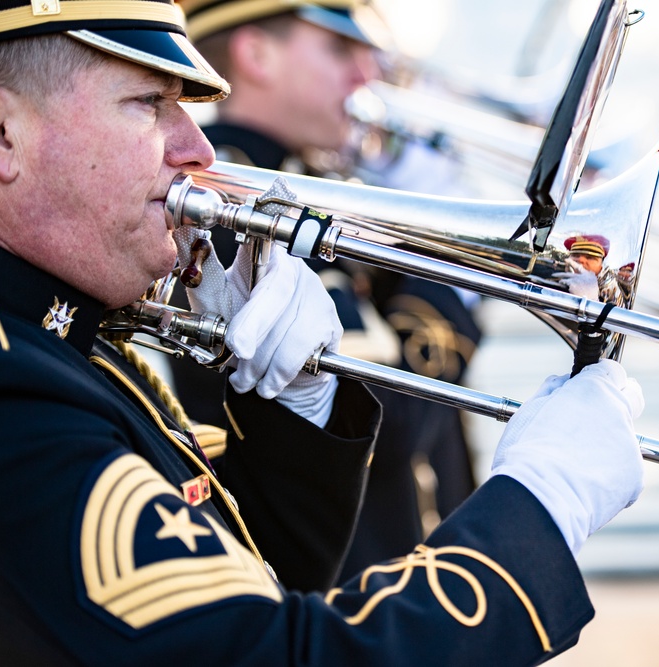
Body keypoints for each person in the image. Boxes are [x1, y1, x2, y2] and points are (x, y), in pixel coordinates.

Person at [0, 1, 646, 664]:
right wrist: (539, 507)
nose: (197, 147)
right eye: (151, 102)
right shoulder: (4, 384)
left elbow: (248, 587)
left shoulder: (67, 339)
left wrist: (298, 409)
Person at [175, 0, 485, 577]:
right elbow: (389, 423)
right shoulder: (234, 209)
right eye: (340, 48)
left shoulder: (321, 187)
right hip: (343, 589)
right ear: (256, 54)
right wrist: (446, 259)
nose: (366, 74)